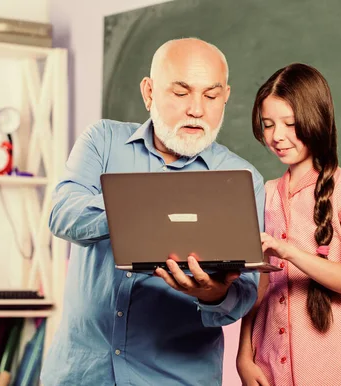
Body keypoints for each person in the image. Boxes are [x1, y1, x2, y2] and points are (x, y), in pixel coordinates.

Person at [40, 38, 265, 386]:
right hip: (79, 374)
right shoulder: (101, 141)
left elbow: (245, 292)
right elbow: (62, 213)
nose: (197, 109)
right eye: (181, 92)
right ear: (149, 92)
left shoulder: (245, 180)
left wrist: (212, 294)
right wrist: (139, 210)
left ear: (225, 98)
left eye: (211, 95)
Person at [236, 63, 341, 386]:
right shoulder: (265, 194)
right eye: (268, 124)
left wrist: (290, 252)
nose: (277, 136)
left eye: (289, 124)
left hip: (331, 365)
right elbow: (258, 286)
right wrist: (243, 356)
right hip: (267, 363)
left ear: (315, 119)